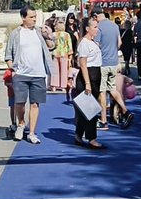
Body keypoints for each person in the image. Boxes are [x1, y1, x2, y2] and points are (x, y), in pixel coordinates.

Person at [5, 6, 56, 144]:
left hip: (38, 74)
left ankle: (32, 132)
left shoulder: (39, 32)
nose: (34, 19)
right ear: (23, 18)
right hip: (21, 74)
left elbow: (51, 46)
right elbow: (8, 54)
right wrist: (13, 70)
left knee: (35, 104)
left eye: (35, 17)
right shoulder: (16, 33)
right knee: (19, 103)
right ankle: (21, 124)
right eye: (31, 17)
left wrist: (49, 36)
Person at [93, 8, 133, 130]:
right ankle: (125, 111)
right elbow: (119, 43)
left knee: (102, 92)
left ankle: (104, 121)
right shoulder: (114, 26)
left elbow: (95, 44)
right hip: (114, 61)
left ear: (95, 16)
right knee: (112, 88)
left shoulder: (99, 27)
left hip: (103, 62)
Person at [73, 17, 106, 149]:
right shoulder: (84, 44)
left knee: (85, 109)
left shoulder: (93, 42)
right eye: (95, 27)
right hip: (88, 77)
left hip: (96, 75)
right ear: (88, 29)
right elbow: (83, 64)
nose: (97, 30)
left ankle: (78, 134)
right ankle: (92, 138)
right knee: (91, 109)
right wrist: (87, 83)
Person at [51, 20, 73, 94]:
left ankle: (54, 85)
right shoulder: (67, 35)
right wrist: (70, 55)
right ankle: (63, 86)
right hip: (64, 53)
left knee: (55, 70)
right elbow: (69, 45)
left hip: (55, 53)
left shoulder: (53, 34)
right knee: (64, 70)